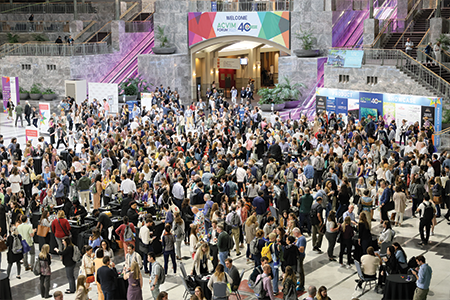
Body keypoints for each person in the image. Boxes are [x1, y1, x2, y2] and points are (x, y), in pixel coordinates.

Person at [293, 227, 306, 291]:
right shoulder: (299, 239)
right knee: (299, 269)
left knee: (300, 271)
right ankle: (300, 280)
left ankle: (301, 285)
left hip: (300, 256)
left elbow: (301, 249)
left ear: (296, 233)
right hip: (297, 256)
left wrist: (294, 248)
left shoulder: (302, 239)